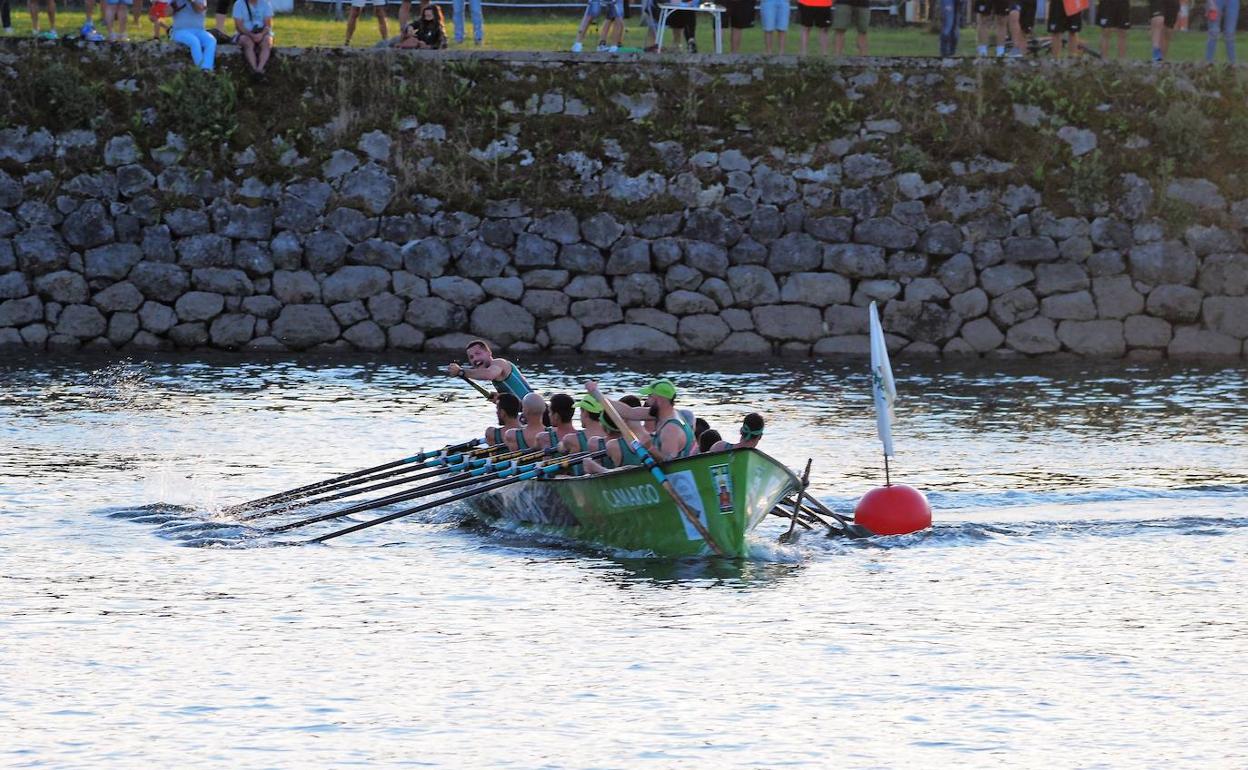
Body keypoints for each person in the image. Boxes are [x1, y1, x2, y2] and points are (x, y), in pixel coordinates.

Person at [446, 340, 534, 399]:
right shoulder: (495, 374)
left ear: (489, 353)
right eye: (471, 357)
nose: (475, 359)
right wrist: (500, 398)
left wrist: (461, 371)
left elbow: (489, 374)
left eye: (478, 353)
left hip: (538, 414)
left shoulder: (499, 363)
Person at [171, 0, 215, 70]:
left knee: (211, 41)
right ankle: (202, 70)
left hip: (199, 31)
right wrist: (173, 6)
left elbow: (199, 9)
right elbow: (166, 12)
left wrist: (191, 1)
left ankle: (207, 68)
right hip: (179, 31)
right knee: (194, 41)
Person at [233, 0, 273, 74]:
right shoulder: (239, 4)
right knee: (247, 42)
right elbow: (239, 26)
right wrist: (251, 35)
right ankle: (254, 68)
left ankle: (260, 68)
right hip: (244, 33)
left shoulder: (266, 3)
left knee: (267, 41)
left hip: (261, 33)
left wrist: (261, 34)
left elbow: (268, 25)